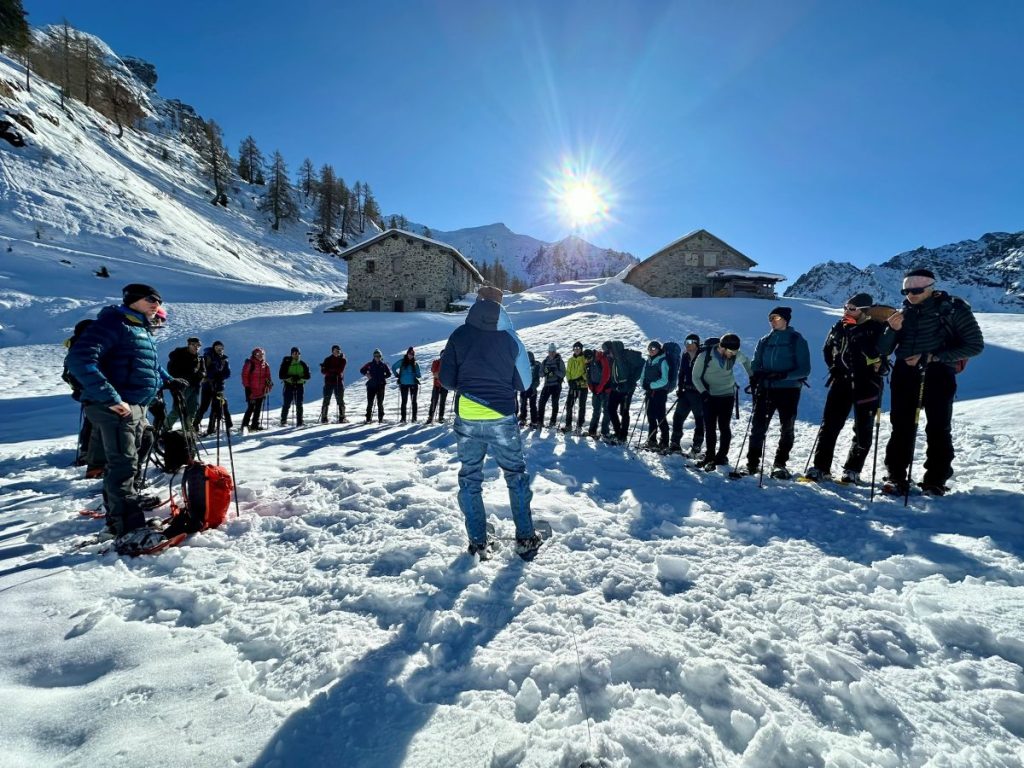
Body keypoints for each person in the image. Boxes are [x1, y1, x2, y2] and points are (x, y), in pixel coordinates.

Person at [65, 283, 187, 554]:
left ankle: (121, 510)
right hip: (118, 407)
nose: (157, 304)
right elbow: (80, 358)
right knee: (123, 465)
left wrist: (168, 381)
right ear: (133, 300)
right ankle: (127, 530)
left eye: (159, 299)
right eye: (151, 299)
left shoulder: (137, 327)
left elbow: (147, 364)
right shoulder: (113, 324)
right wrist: (111, 397)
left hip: (136, 406)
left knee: (144, 442)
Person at [439, 286, 540, 558]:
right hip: (501, 415)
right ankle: (526, 540)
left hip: (469, 413)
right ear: (501, 307)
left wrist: (469, 383)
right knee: (515, 475)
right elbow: (524, 384)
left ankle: (478, 542)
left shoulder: (459, 335)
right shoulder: (511, 338)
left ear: (477, 303)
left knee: (470, 477)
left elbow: (446, 381)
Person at [879, 268, 984, 496]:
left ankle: (935, 479)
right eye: (906, 290)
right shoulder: (903, 313)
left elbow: (975, 346)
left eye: (917, 290)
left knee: (937, 428)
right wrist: (891, 330)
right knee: (901, 428)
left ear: (930, 288)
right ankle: (896, 475)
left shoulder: (952, 310)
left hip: (937, 374)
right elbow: (883, 350)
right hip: (904, 375)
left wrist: (933, 357)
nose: (911, 294)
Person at [804, 293, 886, 484]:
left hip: (867, 383)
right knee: (829, 425)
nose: (847, 311)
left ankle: (852, 470)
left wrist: (857, 335)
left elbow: (878, 353)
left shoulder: (875, 328)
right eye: (845, 307)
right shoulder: (839, 326)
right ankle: (820, 467)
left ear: (864, 311)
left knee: (863, 428)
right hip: (841, 381)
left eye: (852, 308)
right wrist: (833, 367)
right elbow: (827, 349)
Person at [745, 306, 811, 479]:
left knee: (787, 428)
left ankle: (780, 464)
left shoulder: (797, 340)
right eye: (770, 318)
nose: (772, 321)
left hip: (789, 390)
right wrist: (758, 374)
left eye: (776, 318)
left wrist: (784, 375)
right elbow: (755, 363)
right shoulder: (764, 341)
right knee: (758, 427)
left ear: (785, 320)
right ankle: (752, 464)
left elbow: (805, 369)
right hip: (766, 389)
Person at [693, 334, 753, 473]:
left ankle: (721, 456)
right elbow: (695, 377)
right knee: (710, 427)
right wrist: (703, 393)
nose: (733, 355)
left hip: (727, 395)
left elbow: (746, 361)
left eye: (735, 352)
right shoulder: (705, 356)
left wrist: (752, 377)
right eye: (730, 352)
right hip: (709, 396)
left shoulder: (734, 354)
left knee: (724, 426)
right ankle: (709, 456)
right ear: (721, 347)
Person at [63, 319, 101, 472]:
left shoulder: (75, 345)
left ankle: (85, 451)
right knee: (96, 423)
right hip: (94, 390)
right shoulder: (89, 345)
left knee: (90, 422)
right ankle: (89, 454)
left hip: (83, 390)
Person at [668, 333, 705, 457]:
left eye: (690, 343)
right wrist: (680, 388)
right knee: (678, 417)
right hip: (686, 392)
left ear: (697, 343)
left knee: (699, 420)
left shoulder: (703, 356)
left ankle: (697, 445)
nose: (688, 345)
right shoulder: (684, 355)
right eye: (686, 343)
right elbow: (681, 373)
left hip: (698, 393)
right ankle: (675, 443)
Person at [165, 336, 205, 430]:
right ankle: (164, 429)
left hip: (195, 387)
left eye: (198, 345)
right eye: (194, 345)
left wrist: (201, 374)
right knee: (178, 409)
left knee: (193, 409)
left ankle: (187, 430)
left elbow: (204, 371)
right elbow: (172, 372)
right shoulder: (179, 356)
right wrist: (186, 376)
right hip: (182, 387)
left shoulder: (199, 358)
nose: (196, 347)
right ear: (189, 345)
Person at [195, 341, 231, 435]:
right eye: (218, 347)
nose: (220, 349)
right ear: (214, 347)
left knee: (216, 407)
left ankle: (211, 428)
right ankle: (195, 426)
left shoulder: (224, 359)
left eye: (222, 348)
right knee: (204, 407)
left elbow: (228, 373)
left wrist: (220, 375)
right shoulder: (207, 357)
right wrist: (215, 375)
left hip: (219, 386)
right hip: (208, 385)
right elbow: (204, 371)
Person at [641, 340, 671, 450]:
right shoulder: (648, 361)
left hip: (660, 393)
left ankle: (664, 442)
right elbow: (643, 375)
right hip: (649, 392)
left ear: (659, 349)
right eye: (649, 349)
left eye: (653, 348)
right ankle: (652, 440)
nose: (651, 350)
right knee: (650, 416)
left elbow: (664, 380)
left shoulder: (663, 361)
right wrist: (643, 384)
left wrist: (650, 385)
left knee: (660, 417)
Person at [240, 347, 273, 432]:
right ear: (254, 355)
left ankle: (255, 425)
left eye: (262, 354)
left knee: (258, 408)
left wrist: (269, 385)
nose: (260, 356)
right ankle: (244, 426)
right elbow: (244, 376)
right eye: (258, 354)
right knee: (250, 408)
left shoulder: (265, 365)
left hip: (261, 390)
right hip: (251, 390)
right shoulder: (249, 364)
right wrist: (247, 388)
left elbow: (268, 377)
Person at [279, 347, 311, 426]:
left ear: (299, 354)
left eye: (297, 353)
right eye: (293, 353)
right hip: (289, 385)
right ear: (291, 354)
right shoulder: (286, 363)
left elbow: (308, 376)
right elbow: (281, 375)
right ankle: (283, 421)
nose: (295, 355)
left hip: (299, 385)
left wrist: (299, 377)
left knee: (299, 404)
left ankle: (300, 422)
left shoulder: (303, 364)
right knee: (287, 403)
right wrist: (291, 377)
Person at [561, 341, 588, 433]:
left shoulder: (584, 359)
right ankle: (568, 425)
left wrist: (581, 378)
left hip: (583, 386)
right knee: (569, 405)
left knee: (582, 406)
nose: (576, 350)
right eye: (575, 348)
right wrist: (570, 381)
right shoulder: (570, 360)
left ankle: (579, 425)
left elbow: (587, 372)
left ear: (581, 349)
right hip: (573, 386)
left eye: (578, 348)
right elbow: (568, 372)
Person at [536, 343, 565, 427]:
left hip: (556, 385)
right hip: (547, 385)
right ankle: (540, 421)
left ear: (555, 351)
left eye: (553, 351)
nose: (552, 353)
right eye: (550, 351)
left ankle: (553, 421)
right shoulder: (545, 361)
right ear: (548, 352)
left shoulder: (559, 361)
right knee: (541, 403)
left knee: (554, 403)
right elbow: (540, 374)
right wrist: (546, 372)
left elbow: (563, 374)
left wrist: (555, 371)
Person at [585, 347, 611, 438]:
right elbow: (588, 376)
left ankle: (605, 431)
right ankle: (592, 430)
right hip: (595, 390)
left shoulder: (602, 358)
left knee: (606, 411)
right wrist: (591, 388)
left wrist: (600, 387)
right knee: (596, 410)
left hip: (605, 389)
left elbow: (606, 374)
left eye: (588, 359)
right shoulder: (589, 361)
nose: (587, 361)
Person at [360, 349, 391, 423]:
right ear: (373, 356)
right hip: (371, 386)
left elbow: (389, 374)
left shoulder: (383, 365)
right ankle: (368, 418)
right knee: (370, 402)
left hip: (381, 386)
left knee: (380, 403)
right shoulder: (369, 364)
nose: (377, 357)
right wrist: (367, 375)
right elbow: (362, 370)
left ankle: (380, 418)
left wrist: (383, 378)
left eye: (379, 356)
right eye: (376, 356)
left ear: (381, 356)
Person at [320, 345, 347, 423]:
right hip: (329, 382)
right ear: (332, 351)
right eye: (335, 350)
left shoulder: (343, 360)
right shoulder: (328, 359)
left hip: (338, 382)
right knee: (326, 400)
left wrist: (328, 369)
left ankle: (342, 417)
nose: (337, 352)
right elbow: (323, 371)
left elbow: (340, 370)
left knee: (340, 400)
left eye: (338, 350)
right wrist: (329, 370)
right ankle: (324, 417)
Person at [393, 347, 421, 422]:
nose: (410, 355)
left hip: (408, 384)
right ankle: (407, 418)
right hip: (408, 384)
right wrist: (397, 375)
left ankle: (410, 418)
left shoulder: (411, 363)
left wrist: (397, 375)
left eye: (412, 354)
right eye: (410, 354)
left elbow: (394, 367)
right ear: (407, 354)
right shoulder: (412, 363)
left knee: (411, 401)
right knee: (407, 401)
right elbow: (419, 375)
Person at [426, 349, 449, 423]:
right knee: (434, 401)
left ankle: (441, 417)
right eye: (442, 355)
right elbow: (434, 371)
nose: (443, 356)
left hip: (444, 386)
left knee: (442, 402)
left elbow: (449, 374)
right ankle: (430, 417)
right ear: (440, 355)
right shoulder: (436, 362)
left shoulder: (448, 364)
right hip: (436, 385)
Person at [518, 351, 540, 426]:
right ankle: (523, 419)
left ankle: (534, 421)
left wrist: (534, 387)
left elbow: (537, 379)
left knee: (532, 405)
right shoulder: (523, 366)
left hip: (532, 388)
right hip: (524, 388)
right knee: (523, 404)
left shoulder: (536, 366)